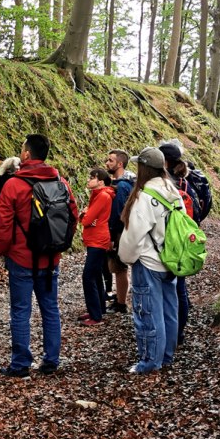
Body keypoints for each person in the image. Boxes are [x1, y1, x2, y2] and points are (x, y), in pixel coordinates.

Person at [0, 134, 78, 377]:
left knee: (20, 310)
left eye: (22, 149)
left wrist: (3, 250)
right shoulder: (61, 182)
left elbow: (2, 226)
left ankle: (20, 364)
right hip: (50, 258)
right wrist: (58, 246)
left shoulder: (13, 185)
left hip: (20, 258)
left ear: (27, 154)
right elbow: (73, 217)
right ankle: (51, 360)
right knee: (50, 308)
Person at [118, 147, 183, 374]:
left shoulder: (146, 196)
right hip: (172, 259)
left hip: (149, 261)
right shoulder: (173, 193)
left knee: (147, 312)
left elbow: (134, 233)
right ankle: (166, 357)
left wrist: (125, 257)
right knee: (168, 310)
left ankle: (149, 361)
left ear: (144, 168)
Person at [159, 141, 201, 345]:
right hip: (184, 243)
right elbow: (198, 215)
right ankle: (178, 333)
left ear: (164, 161)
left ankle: (167, 334)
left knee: (166, 291)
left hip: (166, 244)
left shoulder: (164, 184)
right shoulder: (187, 184)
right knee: (180, 290)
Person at [78, 168, 115, 326]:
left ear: (100, 181)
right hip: (96, 238)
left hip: (98, 240)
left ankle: (96, 315)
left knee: (88, 276)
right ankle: (99, 309)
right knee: (96, 275)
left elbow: (86, 220)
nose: (88, 180)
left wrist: (85, 216)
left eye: (92, 178)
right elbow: (88, 218)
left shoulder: (102, 196)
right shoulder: (98, 195)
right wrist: (86, 216)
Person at [105, 149, 136, 314]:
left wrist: (111, 235)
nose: (107, 163)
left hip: (118, 232)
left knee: (119, 267)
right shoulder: (125, 183)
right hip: (122, 231)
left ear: (120, 163)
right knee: (119, 268)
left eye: (110, 160)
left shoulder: (122, 186)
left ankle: (121, 303)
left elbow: (117, 213)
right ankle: (120, 299)